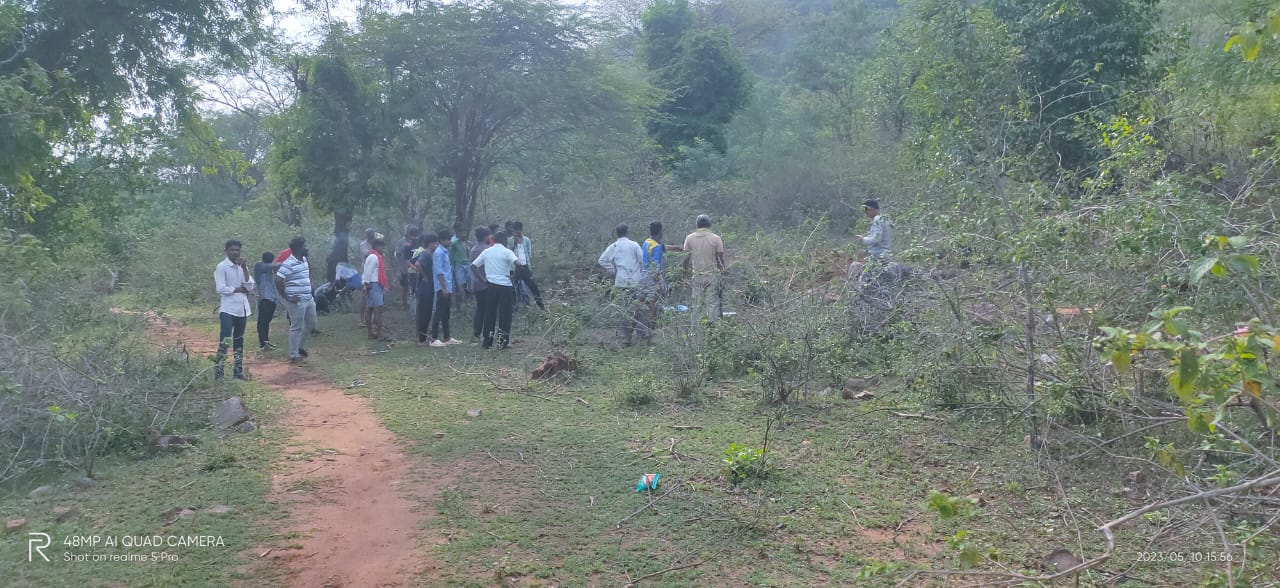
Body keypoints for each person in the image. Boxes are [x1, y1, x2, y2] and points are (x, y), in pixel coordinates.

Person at [598, 223, 646, 345]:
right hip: (635, 280)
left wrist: (614, 270)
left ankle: (624, 335)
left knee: (624, 308)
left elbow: (602, 260)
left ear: (617, 233)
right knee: (638, 307)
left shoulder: (614, 246)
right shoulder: (634, 245)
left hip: (621, 281)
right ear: (627, 232)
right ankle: (641, 333)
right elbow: (642, 260)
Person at [215, 240, 255, 380]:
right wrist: (237, 289)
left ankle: (238, 373)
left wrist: (244, 268)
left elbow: (250, 286)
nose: (235, 252)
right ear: (226, 251)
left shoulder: (241, 267)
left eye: (237, 250)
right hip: (228, 309)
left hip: (242, 308)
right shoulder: (222, 267)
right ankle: (219, 373)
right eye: (232, 250)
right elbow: (220, 288)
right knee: (225, 340)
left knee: (239, 340)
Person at [472, 231, 519, 349]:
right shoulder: (507, 252)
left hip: (491, 286)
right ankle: (502, 342)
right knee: (505, 315)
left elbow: (473, 266)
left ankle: (487, 342)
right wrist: (514, 277)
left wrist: (483, 280)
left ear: (494, 239)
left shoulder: (487, 251)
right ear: (505, 240)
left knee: (490, 314)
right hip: (505, 286)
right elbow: (518, 264)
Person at [638, 221, 684, 344]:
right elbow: (656, 267)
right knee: (655, 304)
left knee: (645, 304)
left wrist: (679, 248)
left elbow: (665, 247)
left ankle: (644, 331)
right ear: (660, 232)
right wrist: (660, 284)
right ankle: (651, 334)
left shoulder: (647, 242)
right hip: (652, 277)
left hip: (643, 276)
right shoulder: (657, 247)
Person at [275, 236, 317, 365]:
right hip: (296, 301)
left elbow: (308, 272)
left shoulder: (303, 260)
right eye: (304, 246)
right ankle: (294, 354)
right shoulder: (289, 263)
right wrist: (287, 297)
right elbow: (278, 280)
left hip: (308, 298)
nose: (307, 248)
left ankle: (299, 347)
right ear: (298, 248)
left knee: (311, 324)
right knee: (296, 327)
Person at [683, 214, 726, 325]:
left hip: (696, 277)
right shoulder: (716, 238)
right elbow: (720, 260)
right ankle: (711, 330)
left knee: (696, 305)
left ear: (697, 225)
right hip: (712, 276)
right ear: (709, 225)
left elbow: (685, 259)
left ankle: (695, 331)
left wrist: (685, 277)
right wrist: (723, 277)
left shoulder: (689, 238)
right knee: (711, 304)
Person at [429, 229, 462, 347]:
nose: (450, 242)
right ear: (442, 240)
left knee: (446, 313)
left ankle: (447, 337)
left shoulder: (445, 252)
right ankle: (433, 338)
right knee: (439, 312)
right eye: (448, 239)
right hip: (441, 287)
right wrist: (443, 288)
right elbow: (439, 272)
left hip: (447, 286)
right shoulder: (438, 253)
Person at [849, 199, 892, 284]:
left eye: (867, 210)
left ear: (873, 209)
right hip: (885, 255)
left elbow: (876, 238)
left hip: (877, 256)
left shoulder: (877, 219)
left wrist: (863, 239)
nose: (865, 213)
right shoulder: (885, 219)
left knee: (864, 281)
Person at [411, 233, 439, 345]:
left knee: (424, 313)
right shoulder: (426, 255)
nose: (436, 245)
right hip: (425, 289)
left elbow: (411, 262)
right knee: (425, 314)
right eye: (435, 243)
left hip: (426, 288)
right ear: (431, 243)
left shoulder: (426, 253)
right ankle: (422, 340)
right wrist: (425, 276)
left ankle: (422, 337)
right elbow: (417, 264)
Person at [511, 221, 546, 311]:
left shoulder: (526, 240)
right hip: (514, 268)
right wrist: (514, 244)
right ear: (513, 231)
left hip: (525, 267)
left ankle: (541, 306)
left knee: (533, 286)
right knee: (512, 288)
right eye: (516, 231)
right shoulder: (510, 240)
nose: (518, 233)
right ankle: (513, 307)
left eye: (519, 230)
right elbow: (508, 253)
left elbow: (528, 253)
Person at [363, 236, 390, 340]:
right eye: (382, 248)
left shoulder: (376, 256)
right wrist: (366, 284)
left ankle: (372, 333)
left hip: (375, 284)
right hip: (373, 284)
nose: (383, 250)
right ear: (377, 246)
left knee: (371, 309)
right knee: (376, 309)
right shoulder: (373, 257)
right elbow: (367, 272)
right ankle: (379, 333)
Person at [469, 226, 493, 342]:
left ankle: (477, 332)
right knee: (488, 309)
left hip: (476, 284)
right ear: (485, 236)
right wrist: (484, 280)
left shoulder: (473, 250)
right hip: (487, 283)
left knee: (480, 309)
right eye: (488, 235)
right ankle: (486, 333)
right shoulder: (488, 249)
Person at [253, 252, 279, 350]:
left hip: (272, 298)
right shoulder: (259, 266)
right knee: (263, 322)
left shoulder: (270, 271)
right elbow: (273, 265)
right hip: (265, 298)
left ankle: (266, 342)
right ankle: (263, 344)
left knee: (267, 322)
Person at [394, 225, 421, 311]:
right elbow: (397, 256)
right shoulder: (401, 242)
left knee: (415, 286)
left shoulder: (418, 242)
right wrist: (399, 269)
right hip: (404, 267)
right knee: (405, 287)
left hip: (416, 268)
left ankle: (415, 305)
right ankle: (405, 305)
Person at [357, 227, 376, 326]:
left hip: (375, 271)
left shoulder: (375, 243)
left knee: (374, 294)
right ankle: (362, 320)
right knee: (364, 294)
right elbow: (367, 254)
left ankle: (373, 319)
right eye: (370, 236)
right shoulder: (363, 244)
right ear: (367, 236)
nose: (372, 237)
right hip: (367, 270)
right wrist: (375, 248)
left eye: (373, 235)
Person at [449, 222, 472, 303]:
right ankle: (462, 301)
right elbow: (451, 255)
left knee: (469, 281)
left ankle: (469, 299)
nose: (463, 234)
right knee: (460, 282)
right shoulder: (454, 243)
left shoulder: (469, 243)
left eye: (465, 233)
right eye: (461, 232)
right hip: (458, 264)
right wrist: (452, 264)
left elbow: (469, 254)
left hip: (467, 264)